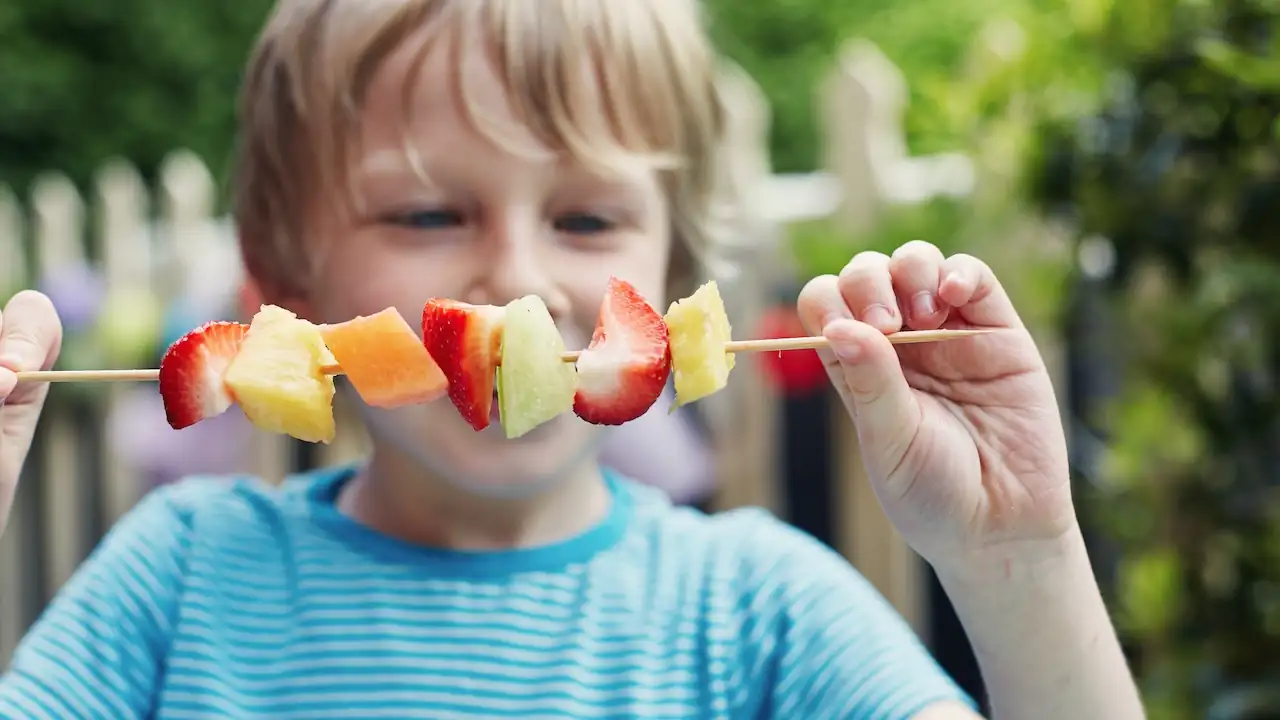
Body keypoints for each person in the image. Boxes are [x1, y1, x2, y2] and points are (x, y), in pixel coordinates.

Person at [0, 1, 1145, 718]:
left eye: (587, 221)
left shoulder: (758, 615)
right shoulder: (175, 582)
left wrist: (1016, 559)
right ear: (283, 288)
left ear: (672, 267)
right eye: (428, 214)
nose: (519, 280)